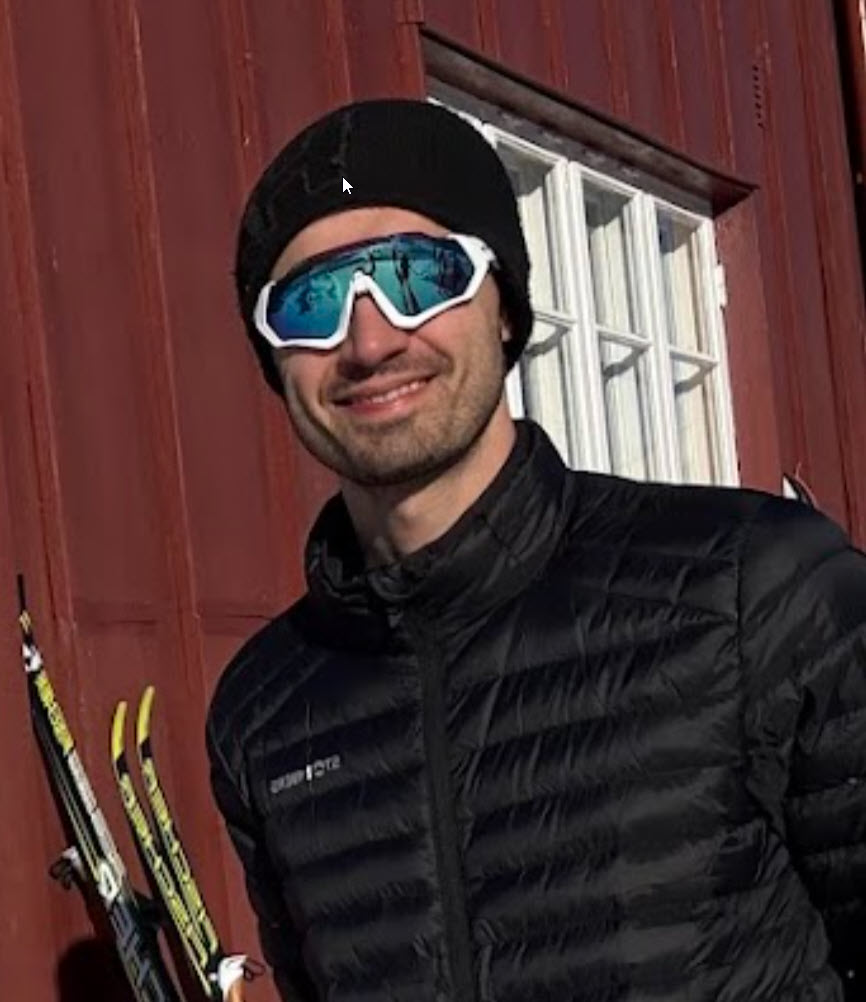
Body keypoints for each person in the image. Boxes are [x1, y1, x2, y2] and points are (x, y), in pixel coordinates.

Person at [206, 99, 866, 1002]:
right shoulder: (266, 713)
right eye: (311, 303)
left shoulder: (756, 587)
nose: (369, 340)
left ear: (505, 308)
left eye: (417, 276)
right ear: (274, 358)